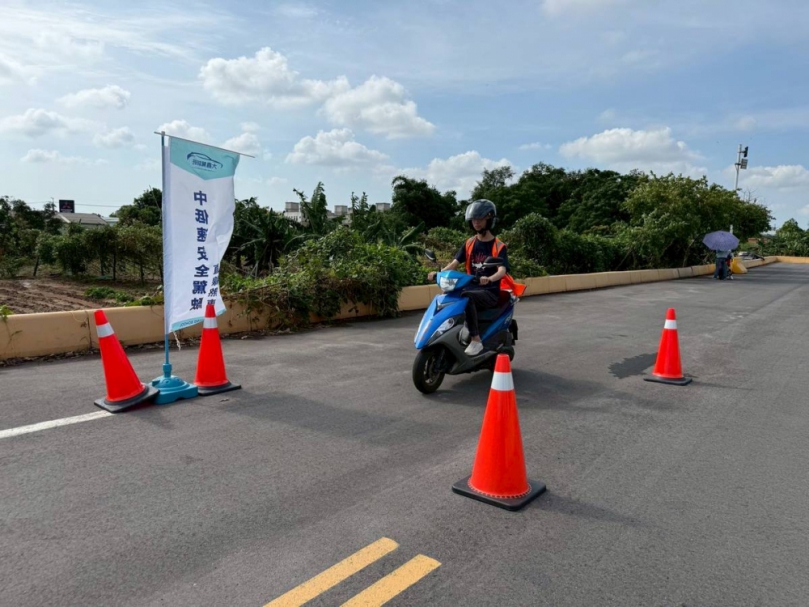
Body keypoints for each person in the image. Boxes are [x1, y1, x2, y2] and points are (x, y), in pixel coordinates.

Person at [427, 199, 509, 356]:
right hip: (472, 286)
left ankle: (476, 340)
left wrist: (490, 278)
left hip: (489, 291)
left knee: (466, 297)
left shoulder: (498, 246)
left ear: (489, 219)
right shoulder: (470, 243)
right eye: (474, 219)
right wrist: (439, 274)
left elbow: (502, 270)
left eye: (480, 219)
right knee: (448, 294)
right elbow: (454, 263)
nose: (476, 223)